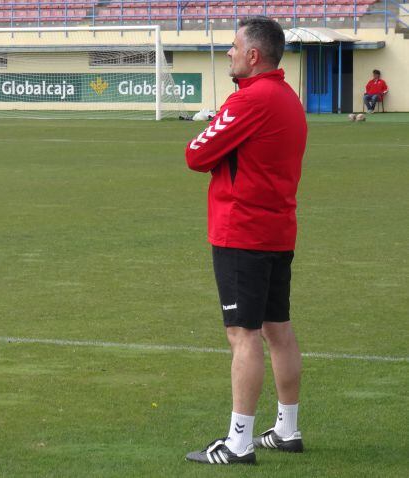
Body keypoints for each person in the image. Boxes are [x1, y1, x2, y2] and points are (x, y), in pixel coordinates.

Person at [183, 16, 308, 465]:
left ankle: (239, 441)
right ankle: (287, 429)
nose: (230, 53)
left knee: (243, 334)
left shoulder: (250, 100)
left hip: (243, 233)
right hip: (277, 230)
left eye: (234, 46)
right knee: (278, 329)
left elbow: (195, 155)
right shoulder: (288, 99)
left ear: (254, 55)